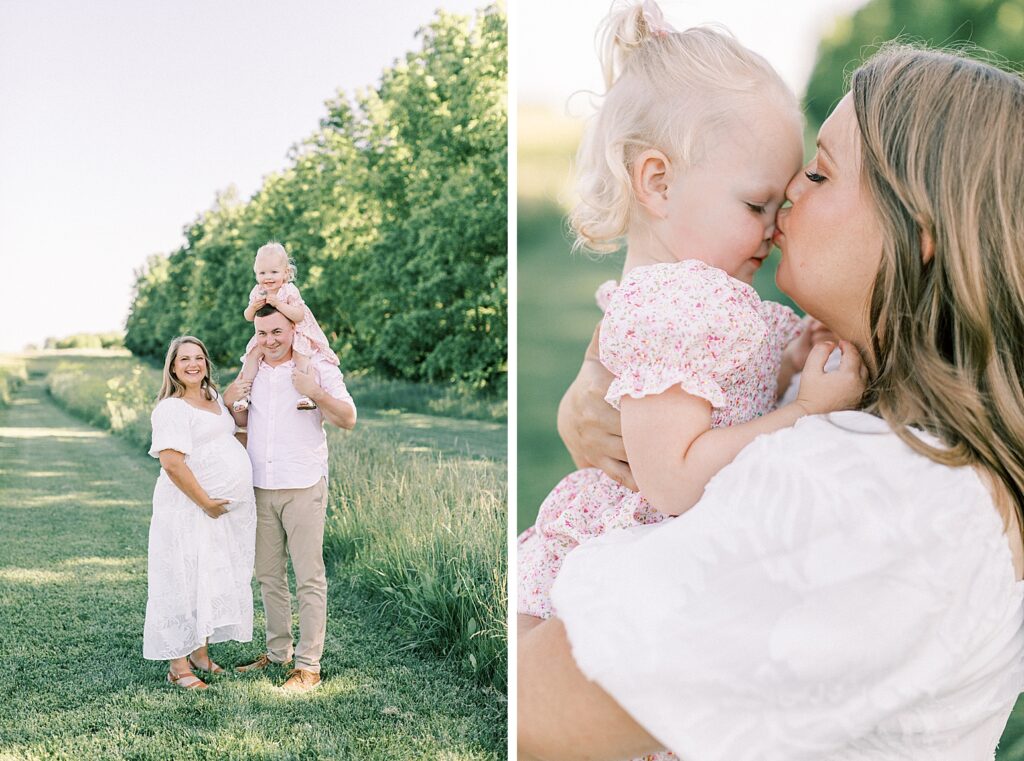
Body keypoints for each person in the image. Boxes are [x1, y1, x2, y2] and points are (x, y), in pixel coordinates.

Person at [519, 43, 1024, 761]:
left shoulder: (874, 500)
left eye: (821, 171)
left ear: (918, 233)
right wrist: (598, 387)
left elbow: (531, 711)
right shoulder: (875, 423)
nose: (789, 193)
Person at [517, 2, 863, 633]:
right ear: (658, 183)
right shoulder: (675, 311)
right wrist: (803, 413)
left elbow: (724, 403)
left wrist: (785, 365)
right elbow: (673, 480)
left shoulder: (699, 300)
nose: (775, 226)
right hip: (634, 575)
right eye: (757, 204)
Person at [225, 303, 356, 693]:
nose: (269, 341)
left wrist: (313, 390)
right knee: (268, 576)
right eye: (262, 334)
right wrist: (234, 401)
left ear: (294, 330)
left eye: (277, 332)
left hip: (302, 483)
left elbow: (348, 418)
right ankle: (278, 653)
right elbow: (237, 419)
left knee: (309, 578)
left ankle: (308, 667)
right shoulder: (253, 370)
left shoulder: (316, 367)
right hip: (260, 485)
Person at [144, 336, 257, 690]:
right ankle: (178, 666)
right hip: (187, 508)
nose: (193, 364)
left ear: (206, 363)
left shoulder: (212, 401)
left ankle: (200, 654)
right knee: (180, 578)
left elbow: (228, 438)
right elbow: (172, 463)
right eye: (184, 359)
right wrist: (206, 502)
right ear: (173, 367)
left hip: (216, 512)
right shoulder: (171, 408)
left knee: (206, 576)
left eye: (198, 358)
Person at [233, 241, 339, 413]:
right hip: (269, 335)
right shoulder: (258, 291)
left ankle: (307, 395)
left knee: (301, 356)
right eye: (262, 273)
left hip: (297, 331)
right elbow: (248, 317)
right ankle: (244, 395)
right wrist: (253, 307)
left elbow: (299, 315)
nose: (268, 277)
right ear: (256, 274)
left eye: (274, 272)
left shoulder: (288, 290)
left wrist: (278, 304)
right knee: (252, 356)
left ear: (286, 273)